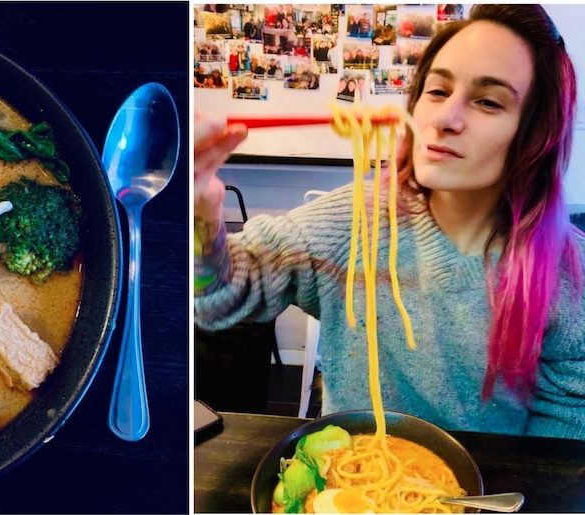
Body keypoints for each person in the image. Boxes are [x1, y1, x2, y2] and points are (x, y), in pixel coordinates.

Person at [194, 5, 585, 440]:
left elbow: (566, 426)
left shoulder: (570, 272)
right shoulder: (351, 222)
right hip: (351, 478)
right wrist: (201, 218)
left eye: (488, 102)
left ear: (535, 136)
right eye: (437, 92)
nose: (444, 119)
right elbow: (218, 301)